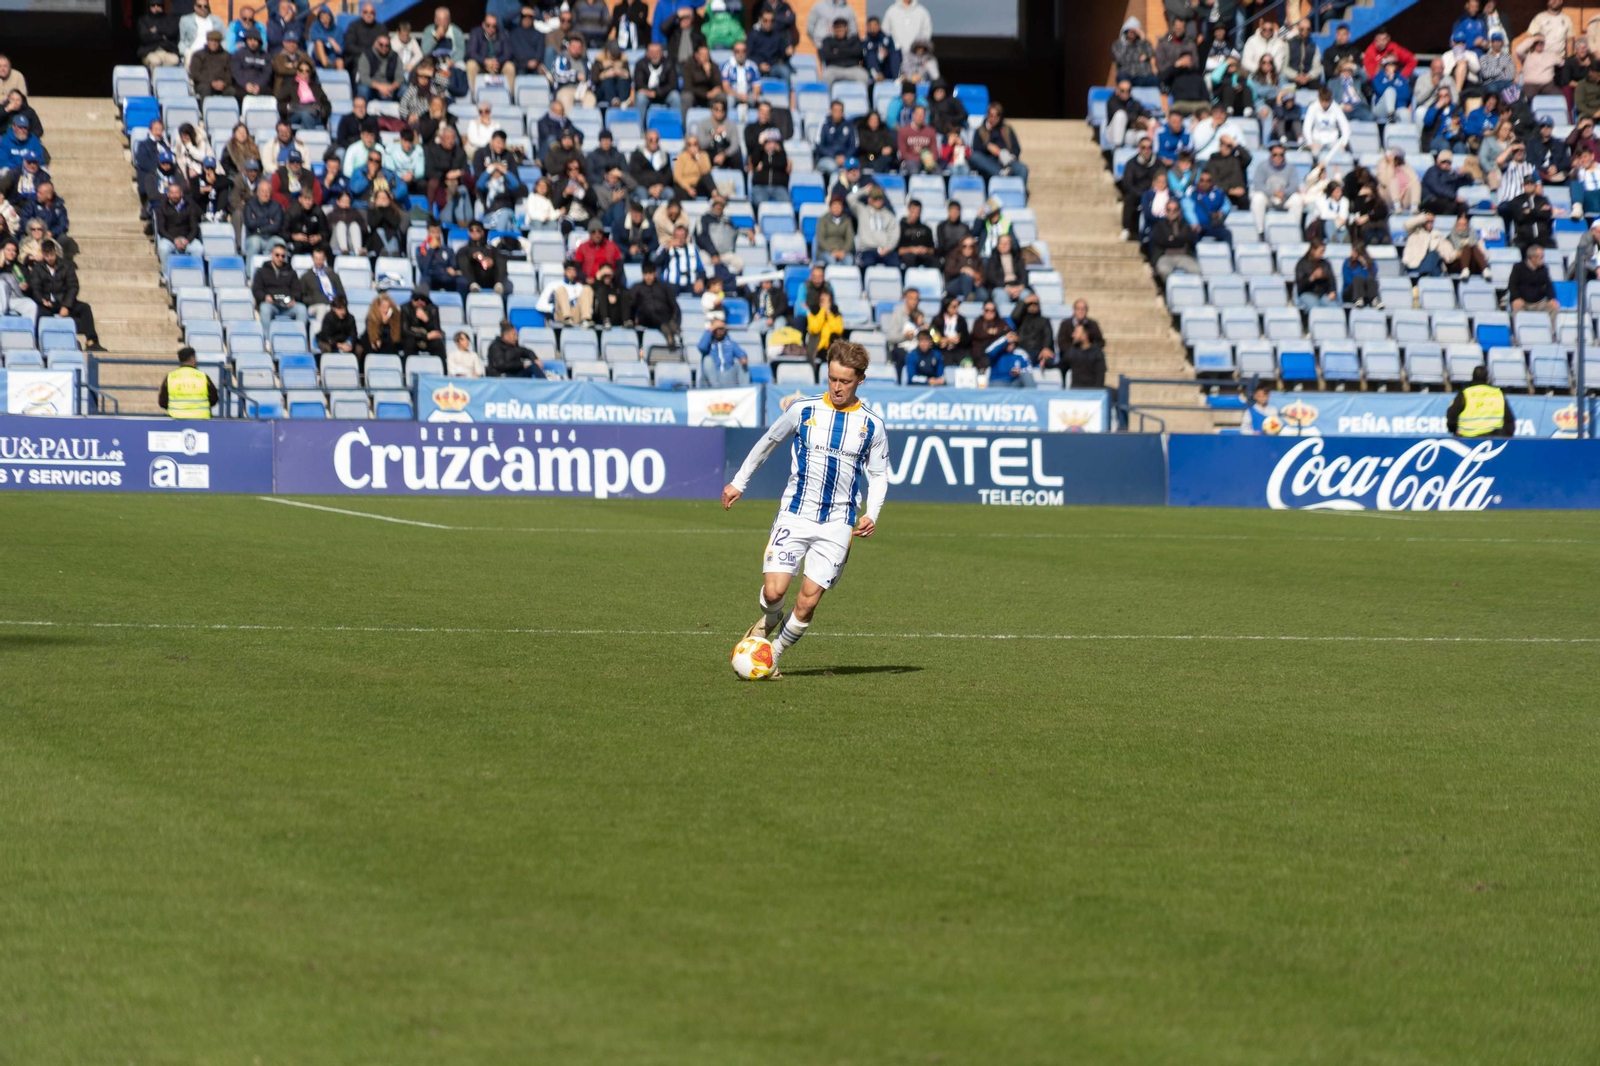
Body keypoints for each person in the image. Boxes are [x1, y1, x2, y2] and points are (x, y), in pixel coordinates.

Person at [722, 340, 887, 676]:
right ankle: (769, 619)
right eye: (832, 379)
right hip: (796, 514)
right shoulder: (804, 409)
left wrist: (873, 512)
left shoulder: (871, 425)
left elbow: (881, 474)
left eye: (845, 381)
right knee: (774, 591)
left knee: (808, 601)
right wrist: (739, 481)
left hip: (838, 523)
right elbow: (768, 441)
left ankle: (774, 655)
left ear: (861, 380)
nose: (837, 387)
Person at [31, 240, 101, 350]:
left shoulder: (66, 266)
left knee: (85, 308)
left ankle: (92, 341)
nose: (50, 258)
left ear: (56, 253)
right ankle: (39, 344)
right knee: (39, 314)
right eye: (47, 255)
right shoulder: (38, 269)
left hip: (63, 301)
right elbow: (35, 287)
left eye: (52, 255)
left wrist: (66, 305)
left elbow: (73, 287)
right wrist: (42, 300)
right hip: (46, 303)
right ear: (43, 255)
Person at [1446, 364, 1514, 437]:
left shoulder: (1465, 394)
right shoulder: (1498, 394)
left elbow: (1451, 416)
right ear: (1487, 379)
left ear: (1473, 377)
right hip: (1494, 439)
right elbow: (1509, 421)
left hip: (1468, 440)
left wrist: (1454, 430)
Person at [970, 104, 1028, 183]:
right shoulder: (980, 130)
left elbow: (1016, 148)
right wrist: (987, 147)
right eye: (991, 115)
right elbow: (976, 148)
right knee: (975, 157)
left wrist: (1009, 155)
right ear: (987, 115)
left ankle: (1018, 192)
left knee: (1022, 169)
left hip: (1006, 161)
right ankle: (1001, 174)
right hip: (989, 161)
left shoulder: (1007, 129)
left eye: (996, 116)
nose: (993, 119)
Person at [252, 243, 304, 326]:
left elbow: (297, 290)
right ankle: (267, 338)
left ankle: (300, 336)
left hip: (287, 306)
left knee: (301, 309)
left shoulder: (291, 272)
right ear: (272, 255)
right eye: (277, 255)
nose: (280, 258)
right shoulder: (261, 272)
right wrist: (264, 297)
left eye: (283, 256)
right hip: (271, 304)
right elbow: (257, 289)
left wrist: (294, 299)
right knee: (265, 308)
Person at [157, 347, 218, 418]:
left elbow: (162, 402)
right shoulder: (203, 377)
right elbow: (214, 398)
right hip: (201, 419)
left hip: (175, 419)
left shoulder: (170, 377)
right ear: (193, 359)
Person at [1507, 243, 1560, 323]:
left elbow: (1549, 285)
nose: (1543, 260)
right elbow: (1512, 285)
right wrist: (1516, 298)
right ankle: (1519, 334)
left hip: (1540, 302)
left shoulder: (1544, 269)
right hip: (1523, 302)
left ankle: (1551, 334)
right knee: (1517, 310)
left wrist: (1552, 298)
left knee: (1554, 309)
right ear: (1532, 258)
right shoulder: (1518, 268)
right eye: (1541, 257)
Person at [698, 313, 748, 386]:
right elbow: (701, 347)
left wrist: (743, 357)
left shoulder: (730, 343)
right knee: (707, 360)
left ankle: (745, 389)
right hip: (714, 376)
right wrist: (710, 330)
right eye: (716, 329)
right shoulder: (709, 343)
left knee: (741, 363)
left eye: (721, 329)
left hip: (728, 375)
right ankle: (716, 388)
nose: (719, 332)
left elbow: (741, 353)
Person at [1294, 241, 1339, 311]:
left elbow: (1332, 280)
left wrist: (1332, 291)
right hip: (1307, 293)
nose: (1322, 254)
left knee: (1334, 308)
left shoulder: (1325, 264)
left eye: (1323, 251)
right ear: (1313, 250)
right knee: (1316, 309)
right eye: (1321, 252)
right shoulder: (1302, 264)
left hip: (1324, 294)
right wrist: (1312, 278)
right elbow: (1300, 285)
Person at [138, 0, 182, 69]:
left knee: (174, 60)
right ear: (149, 7)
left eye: (158, 5)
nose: (156, 8)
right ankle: (154, 79)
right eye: (153, 5)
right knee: (155, 61)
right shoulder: (143, 20)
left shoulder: (169, 19)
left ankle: (165, 79)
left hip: (167, 50)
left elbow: (172, 31)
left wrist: (157, 29)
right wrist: (162, 36)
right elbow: (145, 37)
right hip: (150, 51)